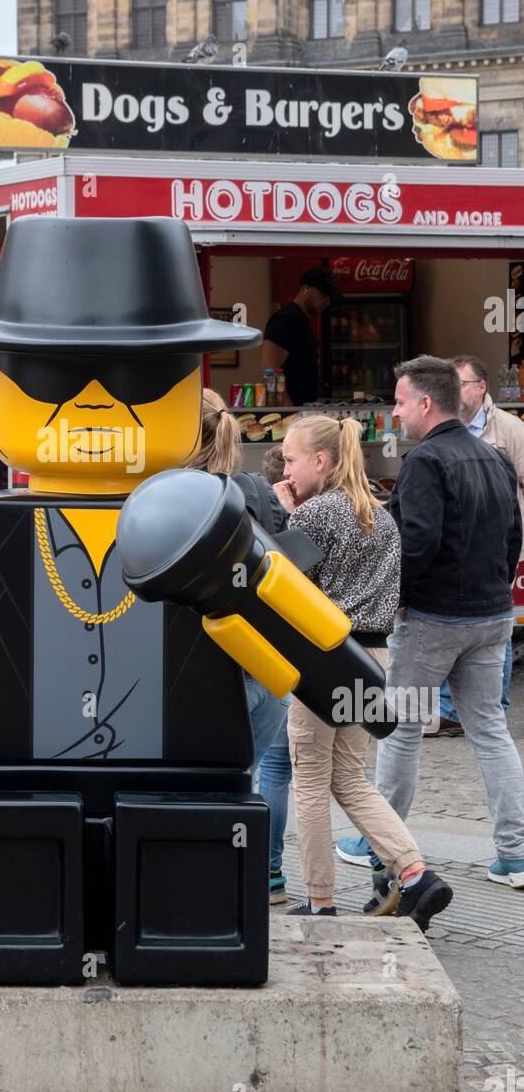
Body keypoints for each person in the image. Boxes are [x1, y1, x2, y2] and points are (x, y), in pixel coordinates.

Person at [274, 413, 453, 929]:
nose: (285, 469)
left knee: (309, 779)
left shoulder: (316, 516)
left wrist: (286, 518)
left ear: (321, 461)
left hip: (322, 657)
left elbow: (284, 587)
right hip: (373, 658)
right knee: (351, 777)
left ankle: (320, 899)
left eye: (291, 459)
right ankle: (415, 872)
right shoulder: (381, 514)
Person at [375, 355, 524, 889]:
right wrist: (496, 589)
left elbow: (417, 543)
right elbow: (513, 537)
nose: (394, 413)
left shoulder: (423, 462)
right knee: (489, 729)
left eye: (397, 401)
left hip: (433, 619)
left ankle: (381, 848)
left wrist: (396, 601)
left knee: (402, 729)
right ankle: (516, 851)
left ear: (425, 402)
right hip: (491, 613)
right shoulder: (495, 457)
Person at [188, 389, 294, 903]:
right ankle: (246, 890)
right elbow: (295, 572)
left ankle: (203, 899)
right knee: (243, 783)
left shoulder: (170, 500)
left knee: (190, 792)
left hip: (203, 672)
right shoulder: (257, 488)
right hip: (267, 667)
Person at [431, 354, 524, 735]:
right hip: (454, 547)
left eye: (461, 384)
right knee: (457, 623)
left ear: (480, 388)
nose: (454, 391)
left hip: (496, 542)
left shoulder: (510, 429)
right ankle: (451, 709)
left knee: (495, 624)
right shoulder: (445, 426)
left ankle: (492, 705)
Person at [260, 267, 340, 407]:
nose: (327, 302)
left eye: (330, 298)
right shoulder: (287, 319)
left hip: (302, 412)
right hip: (293, 416)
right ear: (305, 289)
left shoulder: (300, 319)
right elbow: (269, 369)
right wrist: (290, 412)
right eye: (323, 295)